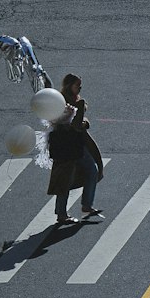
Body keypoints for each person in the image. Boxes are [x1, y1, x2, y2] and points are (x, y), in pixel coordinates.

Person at [46, 73, 104, 226]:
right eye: (77, 85)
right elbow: (75, 125)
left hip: (77, 144)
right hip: (66, 147)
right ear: (69, 85)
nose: (80, 88)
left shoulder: (76, 101)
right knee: (64, 179)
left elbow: (79, 124)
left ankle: (87, 205)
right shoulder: (63, 102)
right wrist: (81, 111)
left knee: (92, 170)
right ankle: (62, 214)